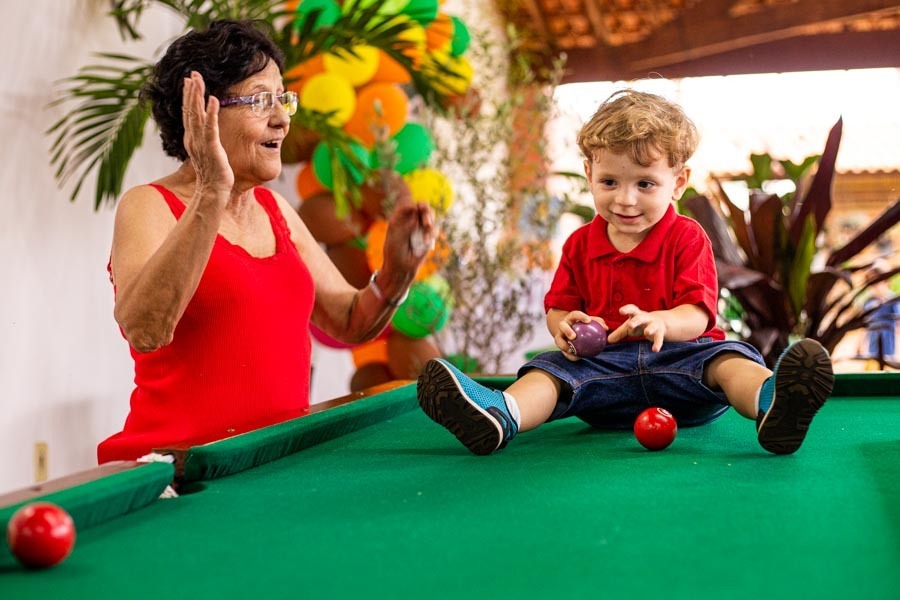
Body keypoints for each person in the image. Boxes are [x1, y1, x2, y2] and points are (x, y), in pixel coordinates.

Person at [417, 89, 833, 456]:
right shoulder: (579, 244)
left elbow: (699, 315)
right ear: (589, 175)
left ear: (679, 181)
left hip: (682, 366)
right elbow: (559, 309)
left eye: (645, 184)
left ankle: (772, 401)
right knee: (547, 371)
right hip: (602, 376)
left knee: (729, 359)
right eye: (610, 181)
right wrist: (565, 326)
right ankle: (500, 415)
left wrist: (661, 322)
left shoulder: (688, 237)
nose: (626, 199)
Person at [98, 20, 435, 463]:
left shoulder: (276, 211)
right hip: (179, 475)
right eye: (260, 101)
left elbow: (349, 320)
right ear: (202, 114)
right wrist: (211, 193)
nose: (281, 118)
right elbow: (145, 330)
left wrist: (396, 273)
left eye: (282, 99)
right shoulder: (148, 205)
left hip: (274, 465)